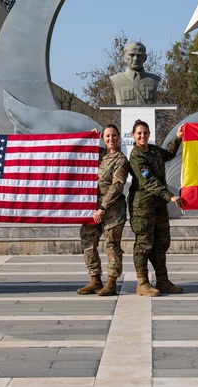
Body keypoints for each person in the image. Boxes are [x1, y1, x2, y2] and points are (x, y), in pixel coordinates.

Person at [127, 119, 184, 296]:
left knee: (161, 242)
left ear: (149, 134)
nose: (142, 136)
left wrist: (178, 137)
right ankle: (142, 283)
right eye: (139, 133)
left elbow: (168, 154)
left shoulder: (153, 151)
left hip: (158, 205)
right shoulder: (136, 156)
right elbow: (149, 182)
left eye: (145, 133)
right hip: (142, 207)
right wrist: (170, 196)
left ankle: (163, 280)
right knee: (144, 244)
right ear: (133, 136)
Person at [76, 124, 131, 296]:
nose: (110, 139)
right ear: (103, 138)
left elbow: (117, 186)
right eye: (107, 136)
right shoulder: (98, 155)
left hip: (112, 211)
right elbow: (79, 155)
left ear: (119, 137)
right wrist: (88, 137)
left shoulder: (121, 160)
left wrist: (102, 208)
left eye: (114, 136)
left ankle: (111, 282)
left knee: (112, 245)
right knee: (87, 241)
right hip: (92, 208)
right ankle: (95, 280)